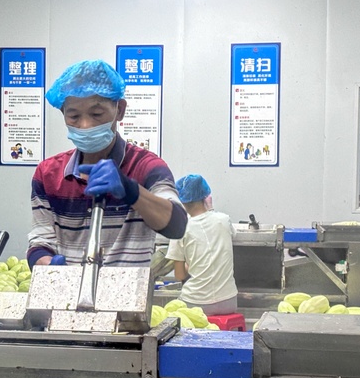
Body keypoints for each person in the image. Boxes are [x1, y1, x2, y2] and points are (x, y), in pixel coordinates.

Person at [27, 59, 187, 267]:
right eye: (74, 116)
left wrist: (132, 191)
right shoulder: (48, 174)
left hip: (127, 288)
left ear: (119, 110)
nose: (85, 125)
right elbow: (40, 240)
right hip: (69, 286)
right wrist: (46, 264)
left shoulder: (146, 166)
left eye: (97, 114)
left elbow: (177, 225)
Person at [165, 174, 238, 315]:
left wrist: (190, 265)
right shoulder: (223, 219)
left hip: (196, 303)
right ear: (206, 196)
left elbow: (179, 275)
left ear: (180, 201)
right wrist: (210, 210)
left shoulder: (180, 228)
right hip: (229, 301)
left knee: (171, 311)